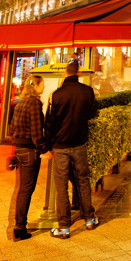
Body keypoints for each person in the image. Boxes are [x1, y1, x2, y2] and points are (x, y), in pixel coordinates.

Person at [44, 61, 99, 239]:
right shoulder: (87, 91)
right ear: (79, 72)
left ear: (65, 73)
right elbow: (92, 113)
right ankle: (89, 219)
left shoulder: (57, 94)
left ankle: (64, 227)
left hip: (60, 146)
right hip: (80, 143)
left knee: (61, 185)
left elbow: (49, 123)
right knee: (83, 181)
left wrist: (47, 145)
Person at [6, 75, 46, 242]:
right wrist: (44, 149)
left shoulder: (21, 101)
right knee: (26, 190)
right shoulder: (35, 104)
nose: (44, 87)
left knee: (22, 189)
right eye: (42, 84)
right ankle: (20, 227)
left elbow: (12, 127)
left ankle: (19, 225)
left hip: (19, 150)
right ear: (35, 86)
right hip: (30, 150)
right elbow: (37, 132)